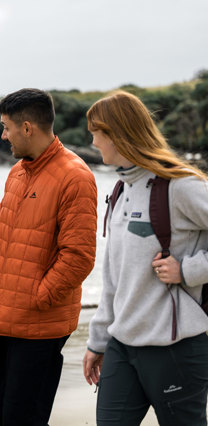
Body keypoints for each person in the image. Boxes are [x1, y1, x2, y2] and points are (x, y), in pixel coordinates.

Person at [83, 91, 208, 425]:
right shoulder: (120, 189)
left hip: (175, 348)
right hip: (122, 346)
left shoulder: (180, 185)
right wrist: (98, 342)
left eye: (96, 133)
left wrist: (188, 270)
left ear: (117, 133)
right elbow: (113, 278)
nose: (93, 142)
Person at [0, 88, 98, 425]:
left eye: (6, 127)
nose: (3, 135)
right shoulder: (17, 173)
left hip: (40, 320)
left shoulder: (75, 176)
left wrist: (39, 297)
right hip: (6, 314)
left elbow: (79, 256)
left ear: (27, 127)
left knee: (23, 416)